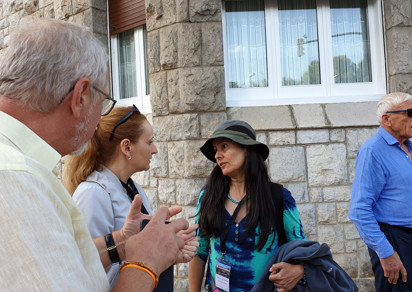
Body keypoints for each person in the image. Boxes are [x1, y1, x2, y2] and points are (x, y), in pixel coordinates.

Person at [0, 17, 190, 291]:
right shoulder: (16, 178)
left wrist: (124, 242)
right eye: (103, 103)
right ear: (81, 96)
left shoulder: (21, 170)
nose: (99, 119)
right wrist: (145, 262)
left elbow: (65, 263)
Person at [63, 105, 199, 288]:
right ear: (127, 147)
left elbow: (139, 252)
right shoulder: (93, 193)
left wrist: (169, 246)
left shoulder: (133, 189)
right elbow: (89, 269)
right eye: (149, 142)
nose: (155, 150)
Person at [189, 120, 306, 292]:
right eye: (216, 150)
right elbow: (199, 251)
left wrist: (298, 270)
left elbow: (301, 250)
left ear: (247, 148)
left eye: (224, 146)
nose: (217, 155)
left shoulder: (278, 197)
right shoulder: (209, 195)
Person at [349, 92, 412, 292]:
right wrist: (386, 253)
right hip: (395, 240)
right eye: (409, 113)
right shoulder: (372, 151)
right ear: (386, 118)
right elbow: (359, 210)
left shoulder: (408, 147)